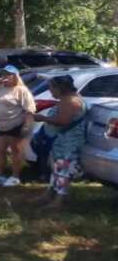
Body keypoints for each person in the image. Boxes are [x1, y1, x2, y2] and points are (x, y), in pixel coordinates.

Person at [33, 75, 87, 209]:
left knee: (64, 171)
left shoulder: (71, 101)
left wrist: (42, 118)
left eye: (51, 88)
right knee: (57, 169)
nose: (50, 91)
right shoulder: (67, 100)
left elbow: (63, 121)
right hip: (62, 141)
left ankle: (59, 200)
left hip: (69, 142)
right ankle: (49, 194)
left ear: (60, 88)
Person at [0, 65, 35, 187]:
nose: (5, 77)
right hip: (1, 125)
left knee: (15, 151)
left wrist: (26, 126)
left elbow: (30, 110)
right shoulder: (0, 88)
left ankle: (15, 176)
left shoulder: (21, 90)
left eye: (8, 74)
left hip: (16, 123)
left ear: (15, 76)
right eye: (4, 74)